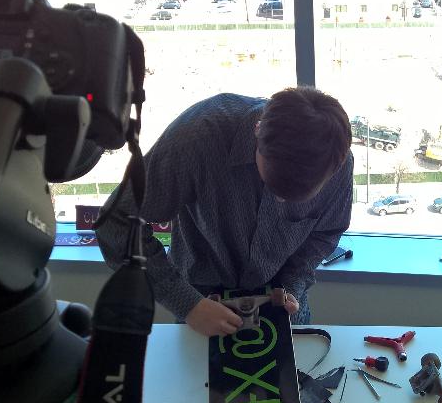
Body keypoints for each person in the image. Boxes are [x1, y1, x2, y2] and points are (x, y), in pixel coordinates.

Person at [95, 89, 354, 336]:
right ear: (257, 131)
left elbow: (325, 233)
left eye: (296, 198)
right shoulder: (196, 137)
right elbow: (116, 221)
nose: (280, 200)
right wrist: (187, 303)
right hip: (202, 304)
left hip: (284, 305)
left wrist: (293, 284)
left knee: (296, 370)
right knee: (195, 371)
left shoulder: (336, 160)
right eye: (273, 184)